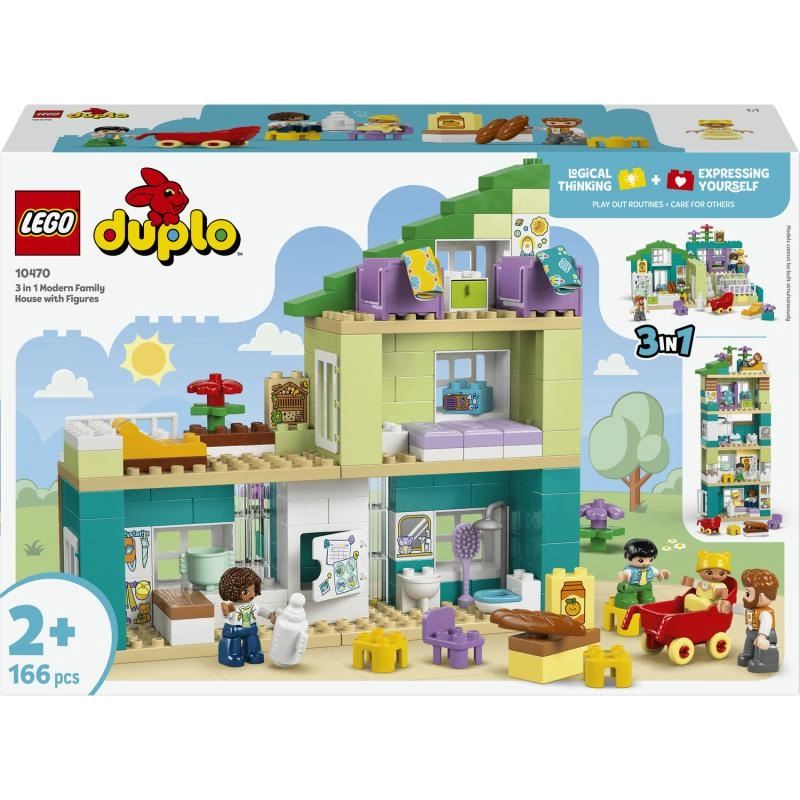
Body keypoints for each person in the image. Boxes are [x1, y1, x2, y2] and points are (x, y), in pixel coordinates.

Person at [722, 568, 780, 674]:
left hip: (763, 636)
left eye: (748, 594)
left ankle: (760, 661)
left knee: (759, 647)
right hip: (751, 633)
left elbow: (766, 623)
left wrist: (762, 636)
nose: (744, 597)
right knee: (749, 643)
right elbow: (742, 609)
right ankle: (747, 655)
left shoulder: (765, 613)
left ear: (761, 597)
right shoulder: (751, 608)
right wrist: (730, 607)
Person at [218, 567, 271, 667]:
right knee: (233, 642)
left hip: (251, 628)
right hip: (234, 629)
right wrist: (226, 612)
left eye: (253, 589)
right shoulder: (233, 607)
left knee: (253, 640)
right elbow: (228, 616)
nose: (251, 594)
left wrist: (270, 615)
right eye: (245, 592)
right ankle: (231, 655)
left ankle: (253, 653)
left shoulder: (253, 606)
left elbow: (261, 610)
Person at [615, 538, 671, 609]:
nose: (647, 563)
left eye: (650, 560)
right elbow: (626, 574)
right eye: (641, 560)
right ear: (627, 556)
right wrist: (624, 576)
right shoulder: (630, 570)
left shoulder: (650, 569)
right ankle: (625, 600)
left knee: (648, 600)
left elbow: (657, 573)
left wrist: (661, 574)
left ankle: (645, 600)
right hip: (631, 587)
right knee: (630, 601)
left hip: (646, 587)